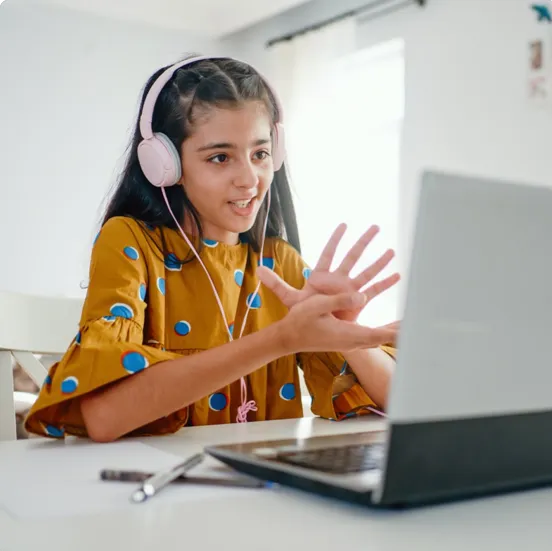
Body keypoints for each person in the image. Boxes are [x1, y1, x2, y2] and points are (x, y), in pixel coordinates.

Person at [24, 55, 400, 443]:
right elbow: (103, 417)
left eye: (260, 154)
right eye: (220, 157)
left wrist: (349, 335)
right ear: (165, 165)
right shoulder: (131, 242)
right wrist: (280, 339)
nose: (249, 179)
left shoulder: (279, 262)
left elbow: (398, 405)